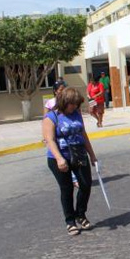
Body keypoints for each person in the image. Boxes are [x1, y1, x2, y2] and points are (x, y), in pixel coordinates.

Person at [42, 87, 97, 236]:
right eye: (72, 104)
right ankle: (70, 221)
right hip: (59, 157)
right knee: (67, 189)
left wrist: (92, 155)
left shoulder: (77, 114)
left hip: (79, 154)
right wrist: (60, 158)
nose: (74, 107)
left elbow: (83, 134)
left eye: (76, 104)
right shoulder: (51, 117)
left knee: (85, 185)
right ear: (64, 101)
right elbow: (49, 140)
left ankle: (81, 214)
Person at [44, 81, 80, 189]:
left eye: (64, 89)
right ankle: (72, 179)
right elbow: (46, 119)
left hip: (74, 148)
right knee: (66, 187)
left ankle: (74, 179)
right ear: (55, 91)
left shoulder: (72, 103)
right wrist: (46, 137)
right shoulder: (50, 103)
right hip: (58, 141)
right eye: (60, 89)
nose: (62, 91)